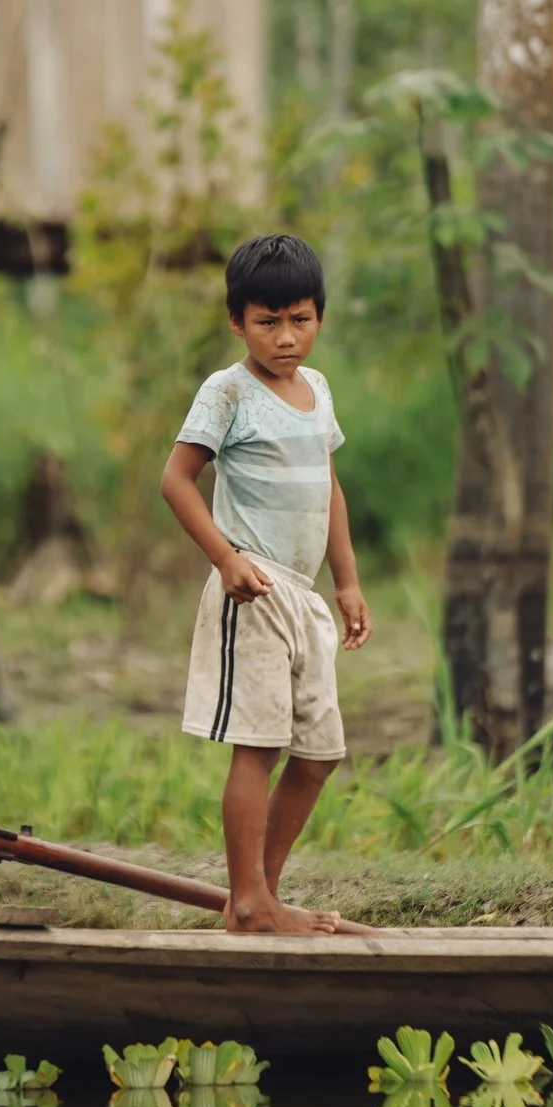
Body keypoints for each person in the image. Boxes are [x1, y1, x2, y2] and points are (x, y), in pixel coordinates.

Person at [158, 234, 371, 935]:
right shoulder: (227, 391)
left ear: (320, 316)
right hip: (252, 588)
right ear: (236, 321)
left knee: (319, 753)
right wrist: (225, 557)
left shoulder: (318, 391)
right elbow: (177, 479)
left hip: (304, 594)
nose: (285, 337)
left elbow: (328, 486)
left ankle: (260, 896)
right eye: (267, 321)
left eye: (300, 319)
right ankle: (248, 895)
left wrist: (346, 581)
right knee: (261, 745)